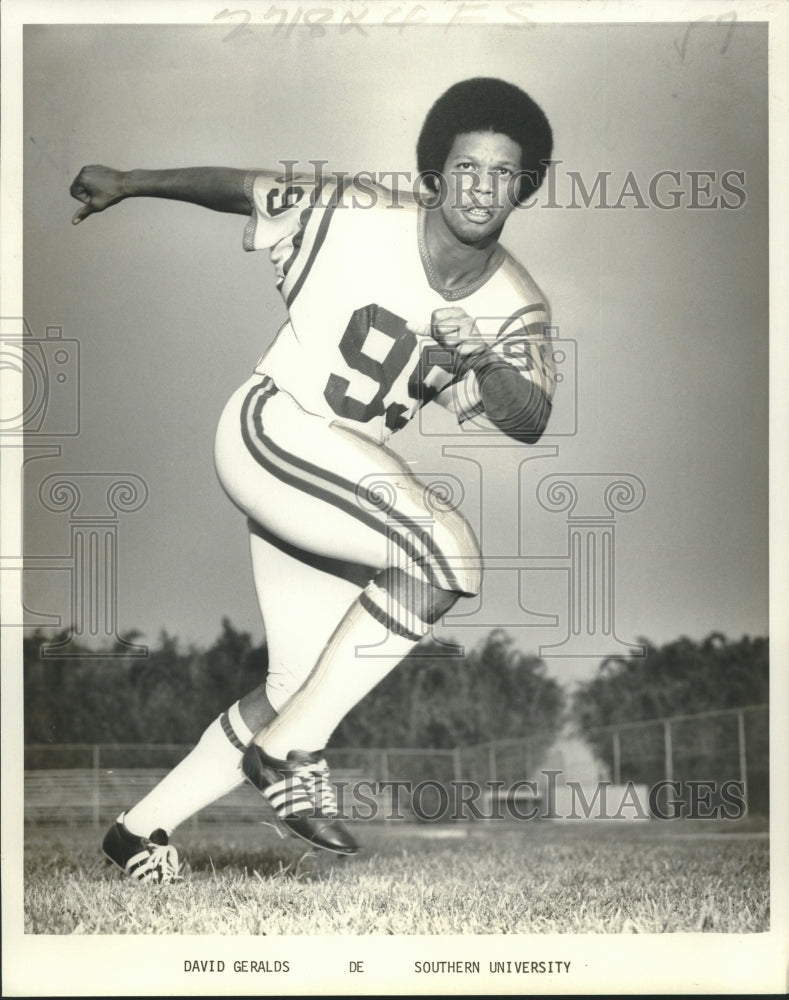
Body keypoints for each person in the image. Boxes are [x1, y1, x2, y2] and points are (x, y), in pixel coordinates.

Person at [70, 77, 556, 884]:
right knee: (450, 557)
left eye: (501, 174)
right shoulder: (359, 213)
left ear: (524, 187)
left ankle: (138, 832)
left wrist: (479, 357)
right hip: (275, 427)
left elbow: (530, 414)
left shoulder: (517, 302)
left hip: (332, 475)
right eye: (464, 167)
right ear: (435, 173)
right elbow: (243, 188)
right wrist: (128, 183)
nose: (479, 187)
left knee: (296, 684)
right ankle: (287, 755)